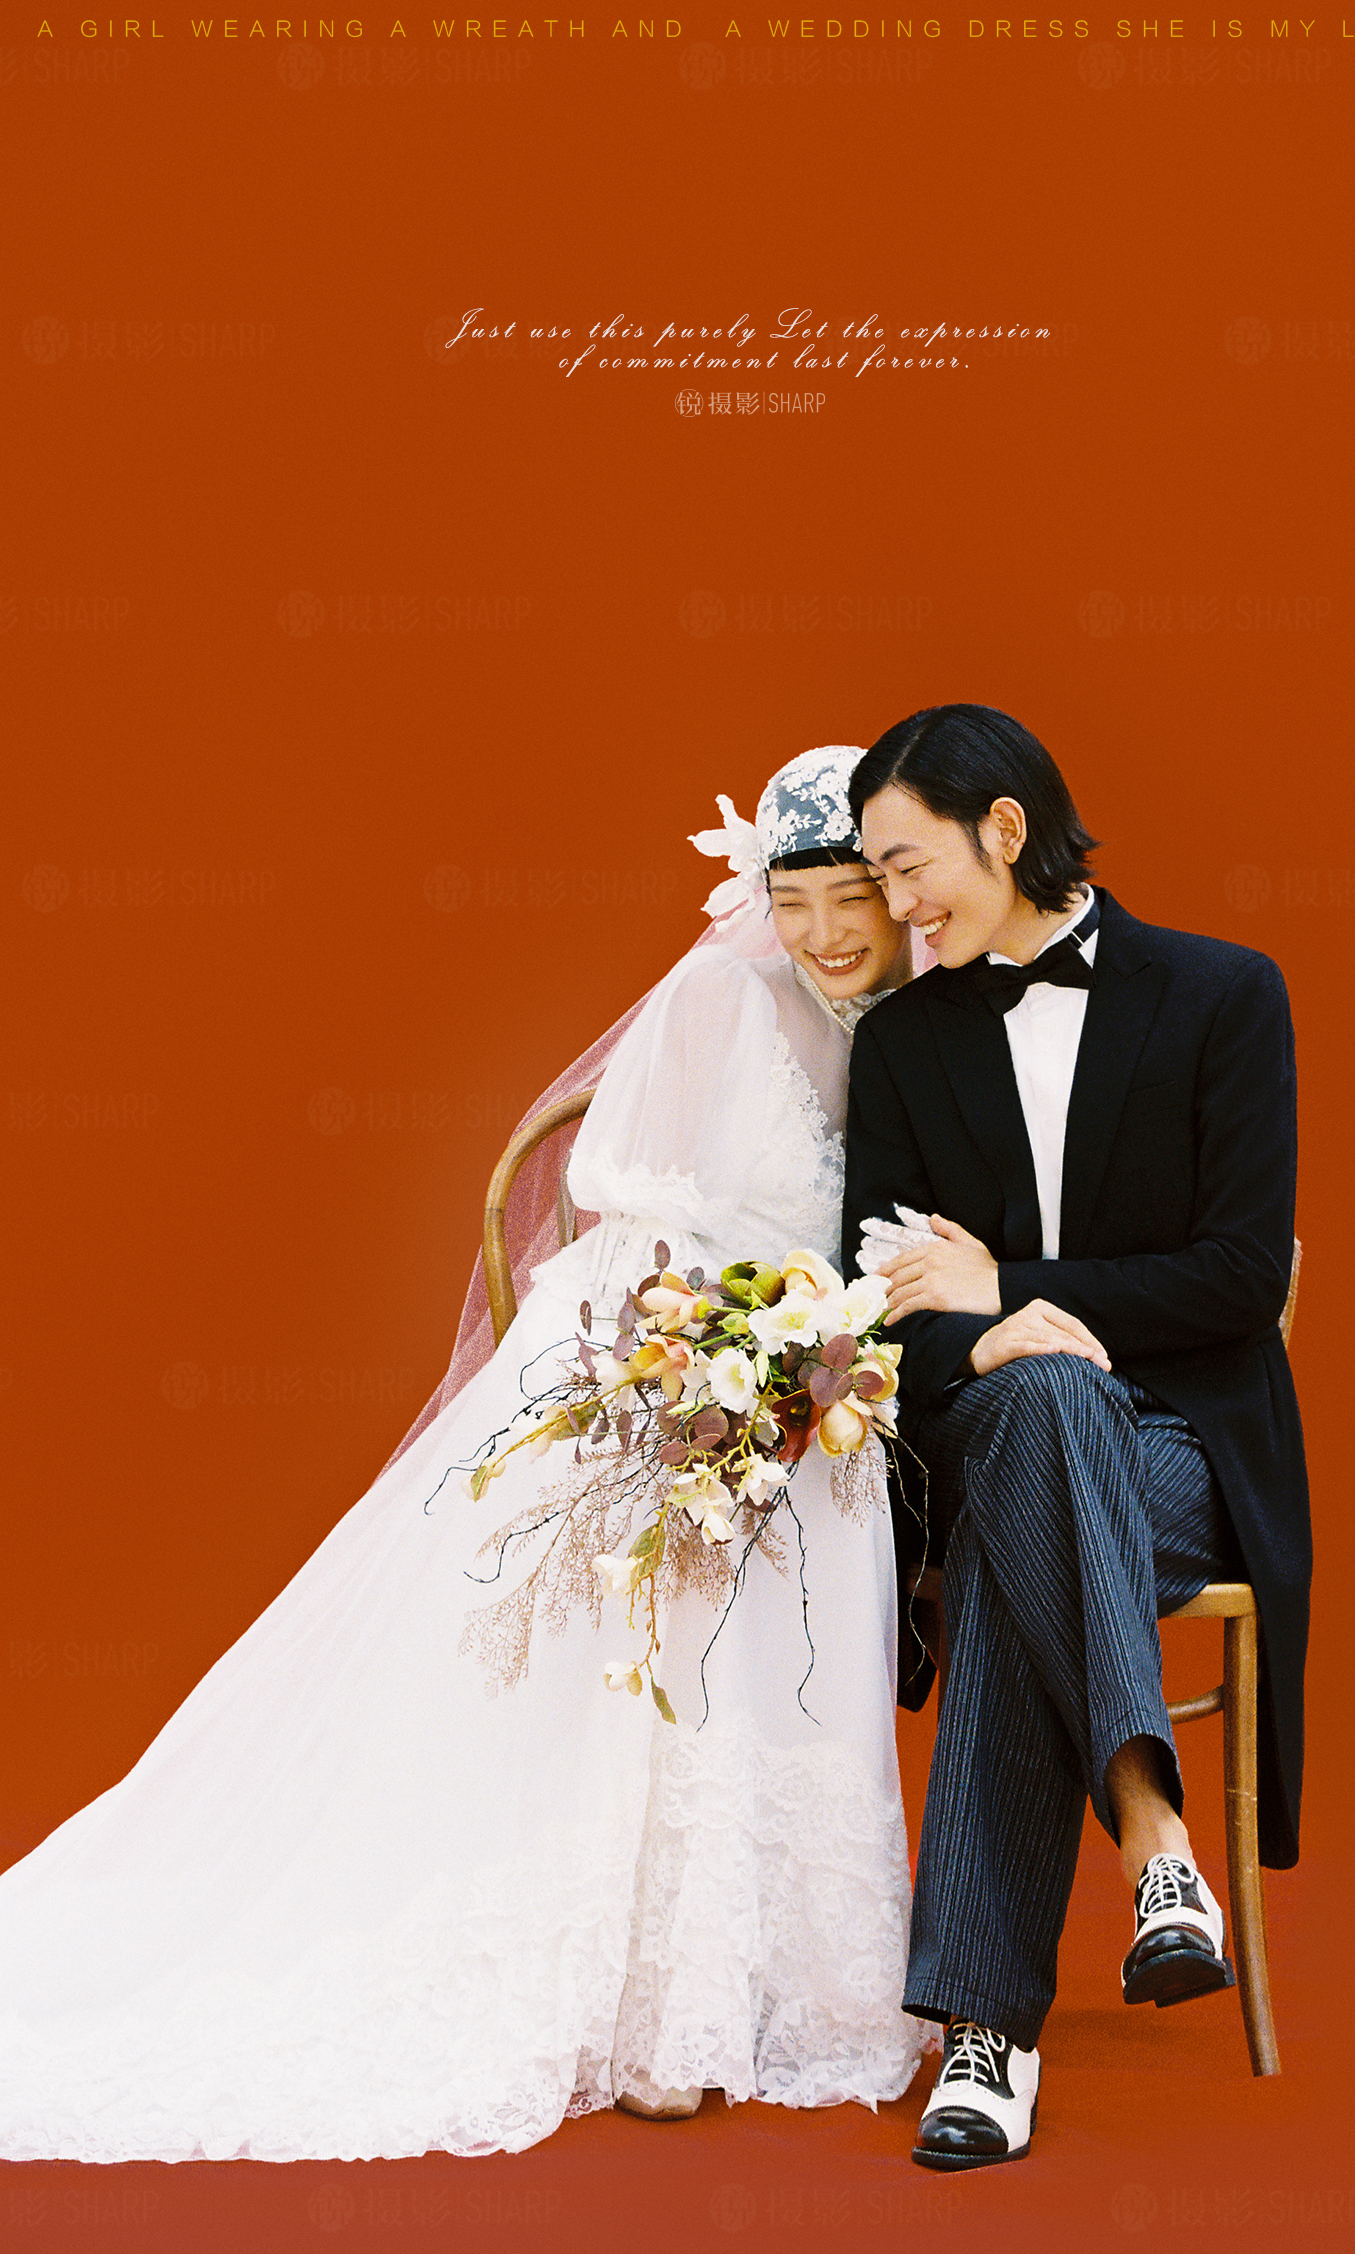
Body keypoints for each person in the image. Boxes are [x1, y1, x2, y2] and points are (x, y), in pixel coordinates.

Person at [0, 744, 929, 2164]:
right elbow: (635, 1212)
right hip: (662, 1339)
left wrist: (817, 1351)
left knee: (831, 1486)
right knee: (687, 1541)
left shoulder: (924, 1017)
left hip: (814, 1370)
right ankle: (651, 2005)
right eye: (791, 902)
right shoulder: (720, 1001)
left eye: (851, 898)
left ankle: (777, 1979)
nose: (822, 933)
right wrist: (718, 1360)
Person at [840, 703, 1311, 2173]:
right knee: (1039, 1414)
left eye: (908, 867)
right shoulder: (902, 1043)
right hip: (990, 1426)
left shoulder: (1224, 995)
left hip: (1185, 1452)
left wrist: (1005, 1289)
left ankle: (987, 2040)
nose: (897, 909)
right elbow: (875, 1299)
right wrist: (977, 1335)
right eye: (876, 877)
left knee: (1022, 1515)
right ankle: (1153, 1843)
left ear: (1003, 828)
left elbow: (1241, 1275)